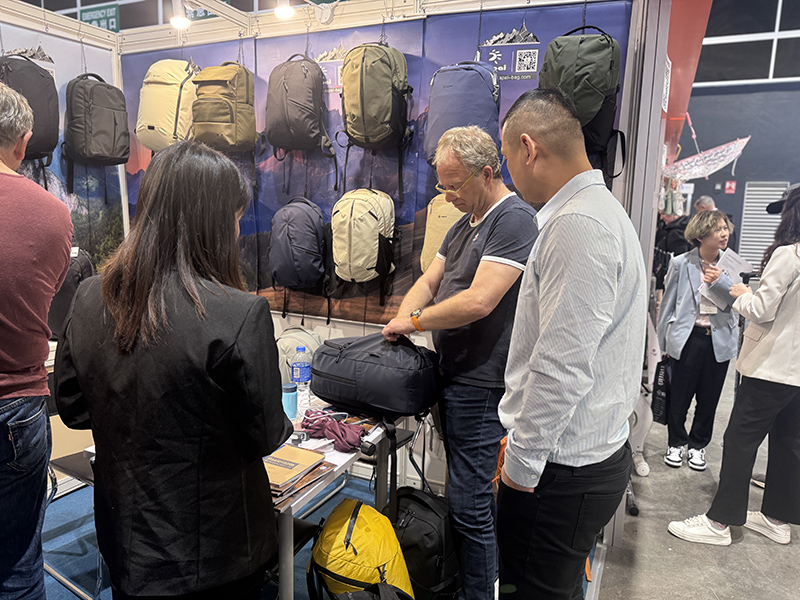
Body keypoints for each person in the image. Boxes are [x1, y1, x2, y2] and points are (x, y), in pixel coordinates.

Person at [55, 141, 292, 599]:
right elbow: (266, 434)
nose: (237, 230)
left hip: (125, 544)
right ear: (214, 223)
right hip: (217, 555)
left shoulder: (88, 297)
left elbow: (73, 408)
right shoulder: (239, 314)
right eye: (235, 218)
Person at [496, 88, 646, 599]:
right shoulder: (600, 212)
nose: (508, 172)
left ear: (527, 148)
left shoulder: (577, 224)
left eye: (506, 157)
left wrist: (521, 467)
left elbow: (561, 367)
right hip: (578, 458)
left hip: (560, 472)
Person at [382, 125, 537, 600]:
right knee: (465, 498)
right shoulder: (463, 224)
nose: (445, 195)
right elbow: (430, 281)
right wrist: (404, 318)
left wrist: (412, 322)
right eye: (442, 184)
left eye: (453, 185)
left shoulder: (513, 220)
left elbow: (479, 301)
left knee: (471, 506)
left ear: (487, 173)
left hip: (481, 384)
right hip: (454, 377)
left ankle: (480, 592)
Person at [668, 185, 800, 546]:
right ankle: (777, 519)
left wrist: (739, 291)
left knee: (740, 440)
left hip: (770, 367)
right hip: (795, 374)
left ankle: (719, 523)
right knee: (789, 441)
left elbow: (761, 310)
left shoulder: (788, 254)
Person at [0, 82, 73, 599]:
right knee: (19, 561)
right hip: (17, 406)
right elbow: (47, 292)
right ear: (24, 141)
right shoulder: (53, 214)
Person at [656, 210, 738, 471]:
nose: (724, 234)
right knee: (679, 395)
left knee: (709, 398)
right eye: (718, 229)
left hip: (718, 339)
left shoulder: (732, 264)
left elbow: (738, 303)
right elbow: (667, 305)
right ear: (701, 235)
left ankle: (698, 445)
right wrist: (663, 344)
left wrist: (721, 281)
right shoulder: (681, 263)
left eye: (725, 228)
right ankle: (676, 442)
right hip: (688, 337)